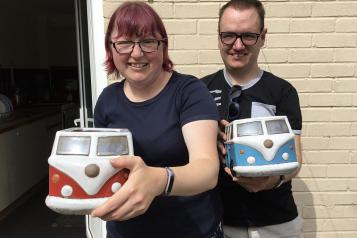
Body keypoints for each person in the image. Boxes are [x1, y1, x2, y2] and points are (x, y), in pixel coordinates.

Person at [91, 2, 223, 238]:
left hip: (190, 231)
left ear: (163, 46)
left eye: (148, 41)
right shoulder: (107, 100)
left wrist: (159, 180)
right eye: (124, 43)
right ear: (111, 49)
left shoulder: (189, 91)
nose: (137, 53)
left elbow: (207, 169)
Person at [201, 0, 303, 238]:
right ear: (218, 37)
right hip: (218, 222)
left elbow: (295, 158)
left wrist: (272, 181)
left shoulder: (282, 91)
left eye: (248, 36)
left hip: (276, 223)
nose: (237, 45)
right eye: (228, 36)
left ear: (263, 36)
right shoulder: (199, 91)